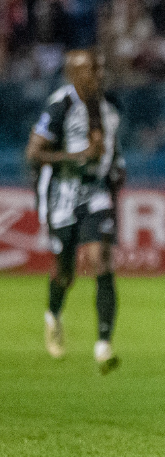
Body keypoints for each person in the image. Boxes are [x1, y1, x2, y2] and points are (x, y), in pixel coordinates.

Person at [26, 49, 125, 373]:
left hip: (95, 192)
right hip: (63, 194)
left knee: (101, 260)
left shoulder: (110, 106)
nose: (96, 76)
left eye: (99, 69)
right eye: (88, 71)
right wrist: (77, 155)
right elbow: (34, 153)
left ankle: (103, 346)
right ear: (72, 74)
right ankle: (53, 315)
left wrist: (115, 168)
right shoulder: (61, 105)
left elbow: (112, 146)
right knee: (65, 273)